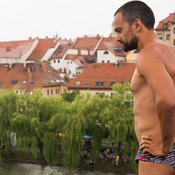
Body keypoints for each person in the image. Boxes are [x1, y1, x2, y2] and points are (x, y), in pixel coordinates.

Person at [113, 1, 175, 175]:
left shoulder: (147, 55)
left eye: (119, 30)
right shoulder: (170, 52)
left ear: (137, 25)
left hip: (157, 150)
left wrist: (165, 146)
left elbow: (168, 100)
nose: (117, 37)